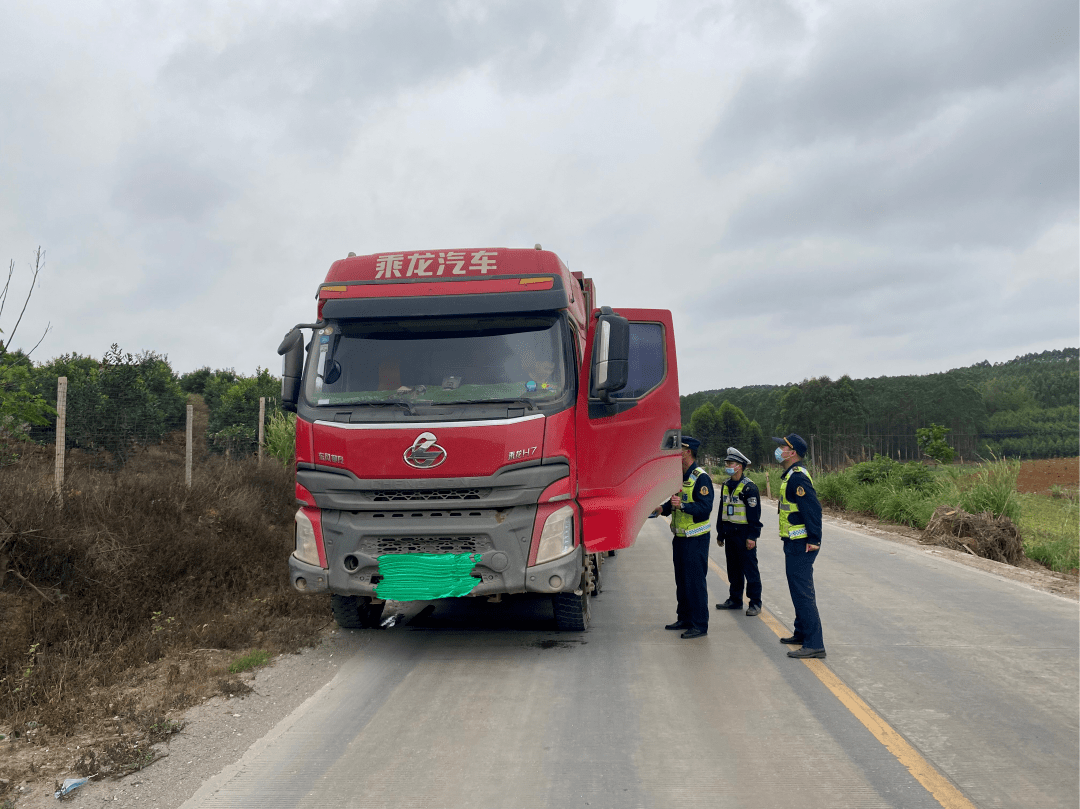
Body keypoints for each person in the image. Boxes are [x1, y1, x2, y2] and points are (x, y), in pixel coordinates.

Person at [653, 436, 714, 639]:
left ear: (688, 452)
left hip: (696, 539)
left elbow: (705, 508)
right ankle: (685, 618)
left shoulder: (701, 478)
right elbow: (674, 501)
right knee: (682, 581)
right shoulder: (679, 476)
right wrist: (663, 508)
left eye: (680, 449)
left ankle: (699, 624)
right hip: (680, 538)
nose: (676, 452)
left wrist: (684, 506)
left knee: (695, 583)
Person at [773, 433, 826, 659]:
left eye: (782, 447)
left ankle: (815, 644)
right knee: (797, 590)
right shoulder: (790, 476)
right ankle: (801, 633)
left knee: (803, 593)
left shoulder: (798, 478)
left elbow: (813, 510)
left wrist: (814, 540)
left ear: (792, 452)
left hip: (802, 544)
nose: (779, 450)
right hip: (793, 541)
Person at [714, 447, 763, 616]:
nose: (727, 466)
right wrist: (720, 533)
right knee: (733, 569)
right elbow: (722, 511)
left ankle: (755, 603)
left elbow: (755, 516)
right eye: (727, 463)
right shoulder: (726, 485)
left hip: (744, 535)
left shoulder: (749, 488)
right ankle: (735, 599)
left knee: (750, 570)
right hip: (729, 534)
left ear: (739, 466)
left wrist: (752, 536)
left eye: (730, 463)